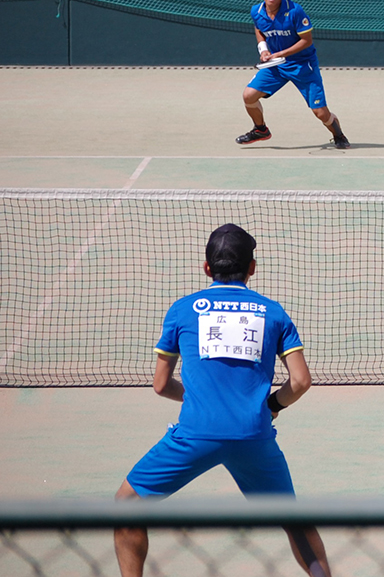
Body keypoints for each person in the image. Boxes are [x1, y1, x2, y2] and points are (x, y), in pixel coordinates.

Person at [113, 224, 332, 577]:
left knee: (125, 506)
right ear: (252, 268)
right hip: (254, 436)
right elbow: (301, 381)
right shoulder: (273, 312)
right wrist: (272, 406)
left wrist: (201, 399)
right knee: (293, 520)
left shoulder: (183, 310)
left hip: (196, 434)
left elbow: (160, 385)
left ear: (206, 267)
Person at [239, 0, 349, 149]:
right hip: (277, 66)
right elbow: (259, 29)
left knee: (320, 113)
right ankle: (260, 129)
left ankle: (338, 134)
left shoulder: (296, 11)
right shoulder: (256, 11)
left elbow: (307, 41)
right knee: (248, 96)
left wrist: (280, 54)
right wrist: (264, 49)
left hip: (303, 66)